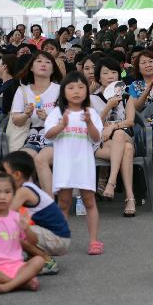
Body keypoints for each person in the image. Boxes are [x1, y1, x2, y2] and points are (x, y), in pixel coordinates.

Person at [44, 71, 104, 255]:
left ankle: (94, 240)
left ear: (87, 90)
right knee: (63, 202)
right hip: (64, 164)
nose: (76, 91)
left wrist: (89, 123)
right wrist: (61, 126)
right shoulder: (57, 112)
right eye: (70, 87)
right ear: (63, 92)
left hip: (84, 163)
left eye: (80, 87)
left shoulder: (91, 113)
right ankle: (61, 240)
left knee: (89, 201)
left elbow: (96, 138)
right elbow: (48, 135)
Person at [3, 151, 70, 274]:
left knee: (17, 233)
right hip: (57, 236)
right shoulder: (28, 187)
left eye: (5, 172)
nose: (2, 176)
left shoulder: (24, 191)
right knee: (19, 226)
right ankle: (35, 257)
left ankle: (47, 261)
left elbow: (5, 213)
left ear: (17, 174)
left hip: (59, 240)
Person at [90, 56, 138, 217]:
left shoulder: (126, 96)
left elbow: (130, 121)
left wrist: (112, 127)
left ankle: (111, 182)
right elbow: (93, 123)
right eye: (105, 73)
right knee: (128, 149)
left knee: (119, 134)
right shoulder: (92, 99)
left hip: (124, 135)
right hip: (101, 143)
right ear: (98, 77)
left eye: (114, 72)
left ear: (119, 76)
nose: (110, 75)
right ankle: (130, 198)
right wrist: (108, 107)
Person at [10, 51, 61, 194]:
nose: (43, 64)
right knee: (20, 162)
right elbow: (16, 120)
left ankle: (49, 205)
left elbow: (68, 118)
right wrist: (25, 114)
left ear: (53, 69)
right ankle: (33, 200)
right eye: (39, 61)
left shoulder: (60, 89)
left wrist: (48, 118)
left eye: (48, 62)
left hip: (56, 137)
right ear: (31, 67)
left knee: (40, 159)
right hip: (33, 137)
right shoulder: (23, 91)